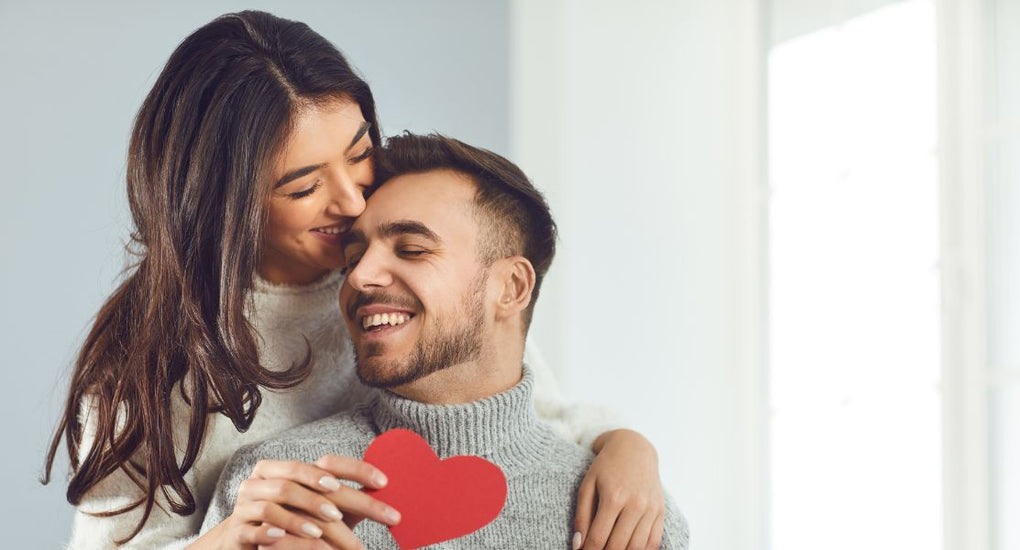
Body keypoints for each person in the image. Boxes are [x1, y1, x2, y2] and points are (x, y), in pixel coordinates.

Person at [44, 11, 665, 549]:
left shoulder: (414, 287)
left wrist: (627, 447)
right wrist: (225, 538)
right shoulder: (151, 367)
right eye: (304, 186)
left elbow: (529, 413)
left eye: (361, 150)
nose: (352, 199)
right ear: (225, 204)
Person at [201, 133, 690, 549]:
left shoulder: (627, 515)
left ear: (512, 288)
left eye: (411, 249)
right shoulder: (276, 490)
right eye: (353, 259)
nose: (359, 277)